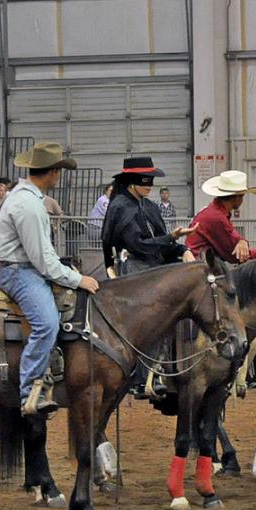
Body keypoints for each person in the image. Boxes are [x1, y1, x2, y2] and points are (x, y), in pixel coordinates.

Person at [0, 142, 99, 416]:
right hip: (19, 271)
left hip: (24, 266)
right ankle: (31, 391)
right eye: (59, 169)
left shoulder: (27, 197)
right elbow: (42, 260)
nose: (60, 175)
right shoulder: (28, 204)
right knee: (46, 323)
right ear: (52, 172)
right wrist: (77, 278)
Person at [100, 156, 196, 399]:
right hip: (134, 268)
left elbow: (162, 241)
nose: (150, 186)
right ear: (132, 182)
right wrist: (171, 239)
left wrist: (182, 250)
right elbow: (138, 245)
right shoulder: (121, 206)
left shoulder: (150, 206)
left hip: (154, 265)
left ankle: (173, 365)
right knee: (146, 317)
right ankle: (141, 377)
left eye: (151, 182)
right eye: (146, 182)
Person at [186, 170, 256, 264]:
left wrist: (242, 241)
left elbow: (232, 236)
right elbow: (232, 255)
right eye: (242, 196)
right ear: (237, 198)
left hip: (200, 262)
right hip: (199, 266)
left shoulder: (214, 212)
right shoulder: (217, 218)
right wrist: (255, 255)